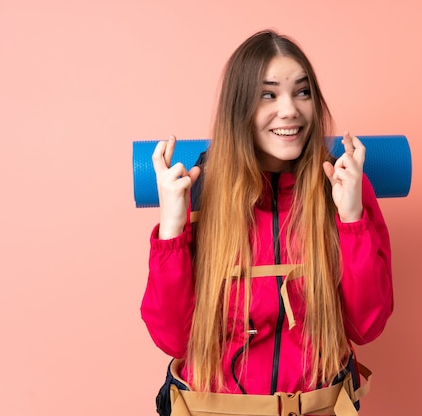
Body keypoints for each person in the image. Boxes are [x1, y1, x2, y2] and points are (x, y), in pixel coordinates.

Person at [141, 29, 393, 416]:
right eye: (268, 94)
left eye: (302, 92)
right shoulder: (196, 193)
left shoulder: (344, 186)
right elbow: (173, 339)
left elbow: (366, 326)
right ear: (238, 106)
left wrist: (351, 219)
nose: (290, 109)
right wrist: (173, 227)